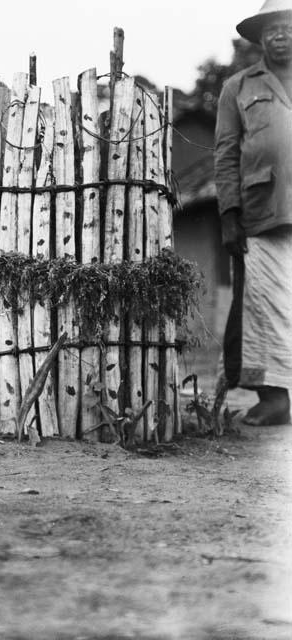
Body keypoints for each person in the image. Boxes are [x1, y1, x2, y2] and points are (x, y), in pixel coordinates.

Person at [215, 0, 292, 425]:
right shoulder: (238, 87)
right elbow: (226, 153)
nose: (281, 35)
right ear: (260, 38)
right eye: (272, 29)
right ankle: (275, 398)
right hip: (263, 212)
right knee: (264, 308)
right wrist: (229, 213)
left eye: (288, 27)